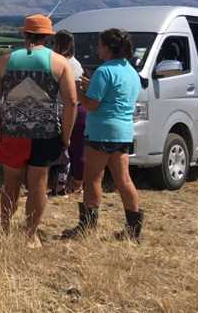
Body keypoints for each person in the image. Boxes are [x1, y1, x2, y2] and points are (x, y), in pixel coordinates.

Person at [0, 14, 77, 247]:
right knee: (38, 185)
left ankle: (4, 227)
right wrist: (65, 136)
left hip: (13, 132)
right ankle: (30, 235)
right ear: (47, 36)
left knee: (10, 183)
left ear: (24, 34)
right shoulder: (59, 62)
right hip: (46, 134)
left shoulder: (5, 61)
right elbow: (71, 103)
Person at [62, 28, 144, 242]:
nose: (97, 48)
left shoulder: (103, 71)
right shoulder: (130, 71)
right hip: (123, 132)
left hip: (101, 131)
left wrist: (79, 90)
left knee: (93, 179)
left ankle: (87, 226)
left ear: (107, 47)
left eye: (99, 44)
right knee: (124, 179)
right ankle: (133, 230)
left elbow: (91, 104)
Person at [52, 30, 86, 196]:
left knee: (65, 149)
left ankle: (63, 185)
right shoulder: (76, 64)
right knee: (75, 149)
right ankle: (74, 183)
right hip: (76, 109)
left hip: (66, 109)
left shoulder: (63, 64)